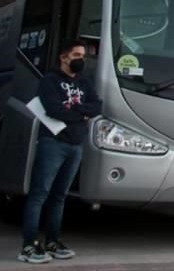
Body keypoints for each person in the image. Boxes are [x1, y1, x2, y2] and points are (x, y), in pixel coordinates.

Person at [18, 39, 102, 264]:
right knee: (39, 194)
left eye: (83, 56)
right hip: (53, 144)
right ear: (63, 57)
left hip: (76, 145)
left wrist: (75, 110)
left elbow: (96, 106)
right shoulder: (50, 81)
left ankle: (53, 242)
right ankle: (28, 246)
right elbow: (53, 110)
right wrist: (81, 114)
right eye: (76, 56)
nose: (80, 61)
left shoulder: (84, 82)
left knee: (59, 196)